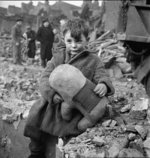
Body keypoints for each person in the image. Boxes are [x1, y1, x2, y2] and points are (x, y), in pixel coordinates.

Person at [24, 19, 115, 158]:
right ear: (63, 39)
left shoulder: (93, 60)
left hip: (75, 105)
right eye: (69, 41)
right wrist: (51, 94)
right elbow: (44, 78)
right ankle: (36, 151)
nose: (74, 46)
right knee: (37, 116)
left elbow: (102, 75)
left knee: (72, 128)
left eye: (78, 41)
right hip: (54, 102)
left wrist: (103, 84)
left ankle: (65, 148)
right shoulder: (57, 58)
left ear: (88, 39)